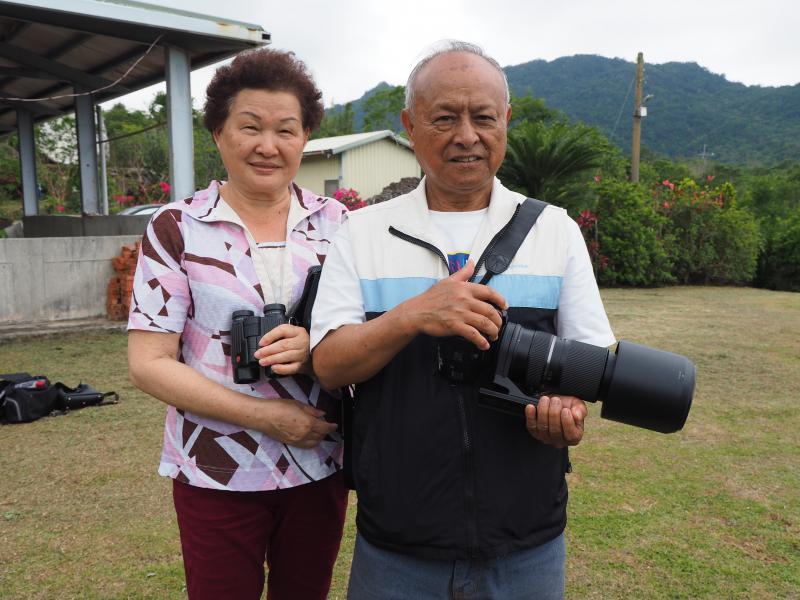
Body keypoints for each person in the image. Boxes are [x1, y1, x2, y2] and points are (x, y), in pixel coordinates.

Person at [311, 41, 615, 599]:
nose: (466, 135)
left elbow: (591, 364)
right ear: (408, 124)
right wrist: (410, 316)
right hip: (398, 543)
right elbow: (329, 365)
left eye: (484, 117)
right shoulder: (361, 233)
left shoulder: (554, 230)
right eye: (444, 118)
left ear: (506, 121)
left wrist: (567, 409)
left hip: (527, 539)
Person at [127, 48, 349, 600]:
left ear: (305, 139)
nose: (268, 145)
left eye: (286, 130)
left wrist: (317, 345)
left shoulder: (339, 224)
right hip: (214, 468)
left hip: (319, 461)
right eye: (249, 127)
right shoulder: (177, 227)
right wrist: (265, 416)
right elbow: (149, 363)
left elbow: (366, 332)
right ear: (219, 132)